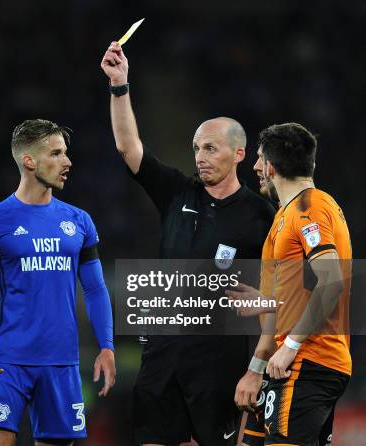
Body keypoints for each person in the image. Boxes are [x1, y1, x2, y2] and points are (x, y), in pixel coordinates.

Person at [100, 41, 276, 446]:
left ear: (238, 153)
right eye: (196, 148)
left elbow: (281, 290)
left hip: (218, 360)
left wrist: (259, 363)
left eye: (210, 148)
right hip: (162, 351)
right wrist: (119, 86)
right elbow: (129, 148)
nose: (199, 156)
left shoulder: (260, 215)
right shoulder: (178, 193)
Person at [0, 119, 116, 446]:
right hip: (6, 358)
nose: (68, 162)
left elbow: (94, 288)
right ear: (29, 161)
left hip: (61, 361)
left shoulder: (79, 222)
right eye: (57, 153)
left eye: (66, 153)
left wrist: (106, 344)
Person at [230, 123, 351, 445]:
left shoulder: (310, 208)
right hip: (283, 364)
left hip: (308, 361)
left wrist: (292, 346)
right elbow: (294, 296)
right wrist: (258, 366)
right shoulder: (285, 215)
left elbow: (331, 282)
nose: (254, 167)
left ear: (270, 166)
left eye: (258, 159)